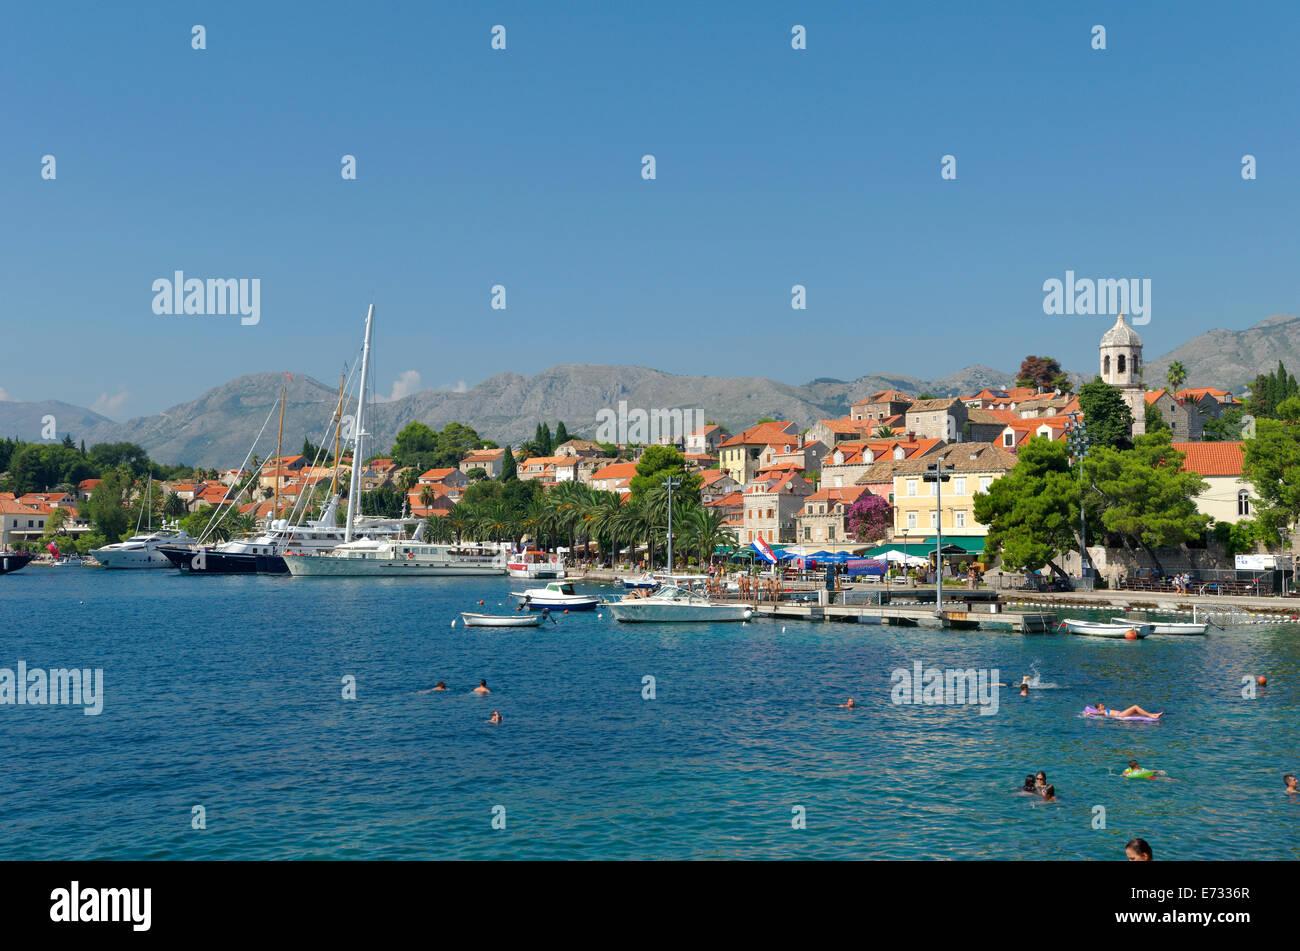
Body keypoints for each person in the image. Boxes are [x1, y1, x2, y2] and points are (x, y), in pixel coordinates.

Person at [1095, 701, 1162, 719]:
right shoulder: (1102, 711)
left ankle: (1154, 714)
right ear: (1098, 708)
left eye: (1102, 705)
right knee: (1135, 707)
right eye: (1101, 706)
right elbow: (1098, 714)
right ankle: (1152, 716)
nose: (1103, 706)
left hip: (1121, 713)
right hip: (1120, 715)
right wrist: (1090, 713)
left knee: (1138, 712)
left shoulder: (1105, 710)